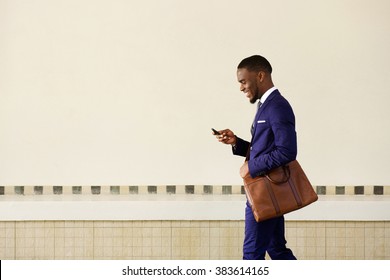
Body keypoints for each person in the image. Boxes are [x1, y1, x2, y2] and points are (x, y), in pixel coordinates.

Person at [213, 55, 297, 260]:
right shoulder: (265, 105)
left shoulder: (277, 106)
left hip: (264, 194)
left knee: (251, 256)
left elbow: (287, 151)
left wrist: (251, 166)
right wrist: (236, 143)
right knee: (277, 250)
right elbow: (266, 147)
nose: (241, 87)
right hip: (267, 191)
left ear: (260, 75)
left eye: (243, 81)